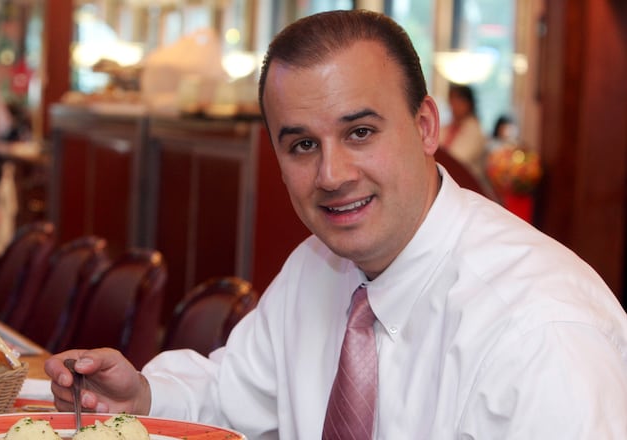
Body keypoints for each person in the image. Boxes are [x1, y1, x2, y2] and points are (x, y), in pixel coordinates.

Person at [45, 10, 627, 439]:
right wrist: (142, 396)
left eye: (360, 133)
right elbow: (232, 398)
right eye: (301, 144)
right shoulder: (319, 267)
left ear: (426, 126)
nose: (332, 174)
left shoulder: (541, 330)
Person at [439, 83, 487, 183]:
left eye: (458, 101)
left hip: (466, 183)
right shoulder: (445, 127)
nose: (453, 105)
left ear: (468, 104)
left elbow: (458, 159)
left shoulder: (475, 132)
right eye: (451, 100)